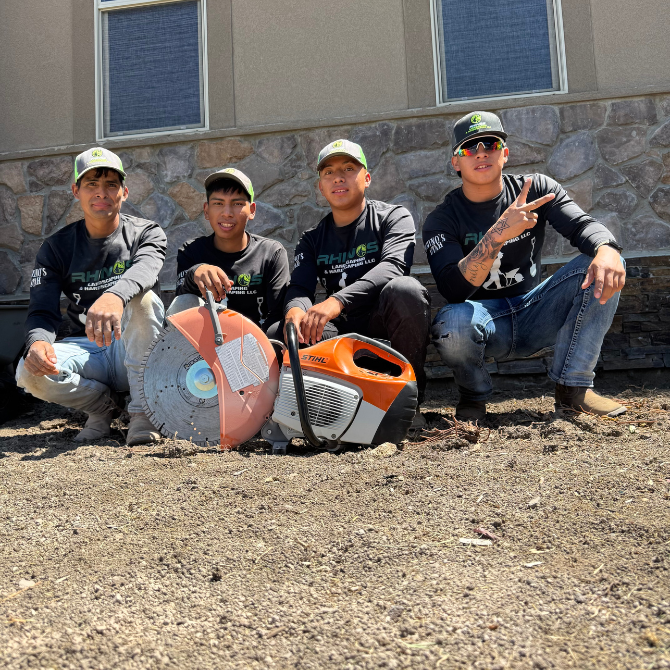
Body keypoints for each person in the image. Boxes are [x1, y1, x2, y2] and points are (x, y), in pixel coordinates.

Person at [423, 111, 626, 422]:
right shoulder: (442, 219)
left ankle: (573, 390)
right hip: (484, 321)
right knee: (452, 323)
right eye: (468, 148)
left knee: (603, 263)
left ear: (504, 153)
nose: (480, 153)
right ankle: (473, 397)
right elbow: (453, 289)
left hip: (536, 310)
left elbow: (582, 226)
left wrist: (607, 248)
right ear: (456, 162)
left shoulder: (536, 189)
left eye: (489, 144)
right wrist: (498, 233)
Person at [267, 139, 431, 424]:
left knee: (407, 290)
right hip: (340, 336)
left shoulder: (393, 217)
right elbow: (300, 288)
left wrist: (336, 301)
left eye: (348, 168)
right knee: (282, 330)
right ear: (320, 186)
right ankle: (319, 411)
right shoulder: (312, 238)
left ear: (366, 178)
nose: (338, 177)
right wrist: (294, 310)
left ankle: (406, 400)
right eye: (328, 172)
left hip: (384, 326)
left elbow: (393, 267)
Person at [16, 148, 167, 444]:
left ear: (124, 192)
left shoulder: (146, 232)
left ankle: (142, 413)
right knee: (28, 371)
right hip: (88, 349)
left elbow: (147, 270)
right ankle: (103, 409)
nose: (102, 193)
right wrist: (38, 342)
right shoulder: (56, 247)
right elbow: (42, 311)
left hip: (134, 347)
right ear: (76, 191)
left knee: (144, 300)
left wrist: (115, 296)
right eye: (91, 185)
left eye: (111, 184)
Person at [167, 168, 289, 329]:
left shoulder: (271, 252)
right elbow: (182, 307)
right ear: (206, 210)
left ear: (252, 210)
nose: (227, 213)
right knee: (183, 302)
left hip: (257, 346)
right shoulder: (191, 251)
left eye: (237, 204)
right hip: (203, 348)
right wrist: (194, 273)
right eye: (218, 203)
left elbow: (278, 315)